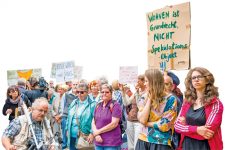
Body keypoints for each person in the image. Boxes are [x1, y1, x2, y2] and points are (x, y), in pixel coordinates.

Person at [174, 67, 223, 150]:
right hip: (186, 146)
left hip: (206, 146)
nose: (196, 80)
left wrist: (185, 126)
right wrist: (197, 129)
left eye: (199, 77)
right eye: (193, 78)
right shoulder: (187, 102)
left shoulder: (215, 103)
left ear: (207, 80)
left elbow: (208, 132)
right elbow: (177, 126)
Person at [136, 69, 178, 150]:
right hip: (143, 139)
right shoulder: (143, 97)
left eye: (146, 81)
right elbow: (142, 120)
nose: (144, 84)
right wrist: (149, 100)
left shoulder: (170, 99)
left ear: (153, 82)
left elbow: (165, 125)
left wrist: (146, 124)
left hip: (161, 142)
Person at [66, 82, 96, 150]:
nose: (79, 94)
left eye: (82, 92)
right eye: (77, 92)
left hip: (84, 136)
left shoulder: (93, 105)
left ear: (87, 92)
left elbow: (96, 121)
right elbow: (69, 116)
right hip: (72, 135)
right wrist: (67, 129)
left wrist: (92, 133)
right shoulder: (74, 102)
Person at [92, 84, 122, 150]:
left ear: (111, 93)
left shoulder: (115, 105)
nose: (104, 94)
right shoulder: (98, 105)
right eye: (102, 92)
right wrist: (96, 134)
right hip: (98, 141)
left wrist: (98, 132)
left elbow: (114, 124)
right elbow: (93, 122)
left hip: (111, 143)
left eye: (107, 92)